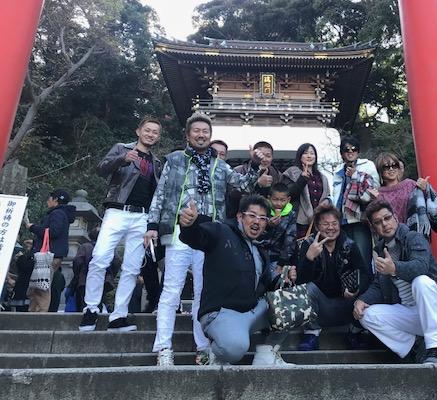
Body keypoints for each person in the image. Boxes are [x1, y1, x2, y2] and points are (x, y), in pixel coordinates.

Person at [145, 112, 265, 366]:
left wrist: (254, 164)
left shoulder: (219, 165)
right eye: (197, 131)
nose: (201, 135)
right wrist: (153, 225)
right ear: (188, 135)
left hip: (210, 235)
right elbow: (161, 192)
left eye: (205, 132)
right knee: (172, 290)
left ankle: (202, 346)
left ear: (210, 136)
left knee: (203, 290)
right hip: (180, 229)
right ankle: (163, 347)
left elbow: (243, 185)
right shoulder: (175, 160)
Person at [179, 194, 297, 366]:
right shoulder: (221, 231)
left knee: (293, 303)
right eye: (252, 215)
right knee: (234, 349)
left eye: (262, 218)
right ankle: (214, 353)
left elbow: (264, 288)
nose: (257, 221)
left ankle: (266, 353)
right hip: (221, 313)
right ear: (240, 216)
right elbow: (197, 237)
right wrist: (189, 226)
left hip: (250, 311)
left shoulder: (260, 249)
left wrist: (283, 279)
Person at [79, 117, 162, 331]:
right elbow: (101, 169)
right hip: (117, 211)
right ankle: (91, 309)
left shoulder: (156, 162)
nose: (151, 134)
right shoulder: (122, 148)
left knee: (132, 267)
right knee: (100, 258)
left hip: (142, 216)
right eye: (147, 130)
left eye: (155, 132)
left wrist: (153, 222)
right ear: (138, 131)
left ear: (158, 137)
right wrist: (122, 159)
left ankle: (119, 316)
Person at [354, 201, 437, 364]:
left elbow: (421, 266)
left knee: (421, 282)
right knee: (367, 315)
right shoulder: (381, 250)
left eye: (387, 218)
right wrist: (362, 300)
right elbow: (379, 285)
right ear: (374, 228)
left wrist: (394, 268)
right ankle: (415, 348)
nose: (385, 224)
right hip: (411, 313)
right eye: (378, 222)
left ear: (395, 218)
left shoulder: (414, 237)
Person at [297, 204, 371, 351]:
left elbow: (364, 274)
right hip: (319, 308)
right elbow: (300, 282)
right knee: (307, 289)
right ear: (317, 226)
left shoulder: (350, 245)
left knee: (367, 292)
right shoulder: (308, 244)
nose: (330, 228)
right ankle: (311, 333)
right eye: (325, 224)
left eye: (334, 223)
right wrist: (309, 258)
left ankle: (354, 332)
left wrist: (355, 289)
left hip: (346, 305)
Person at [368, 152, 437, 238]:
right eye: (386, 167)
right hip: (393, 237)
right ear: (380, 171)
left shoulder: (410, 184)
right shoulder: (378, 193)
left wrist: (424, 189)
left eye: (394, 165)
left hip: (416, 233)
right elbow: (376, 220)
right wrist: (374, 200)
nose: (391, 169)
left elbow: (425, 205)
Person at [332, 136, 379, 266]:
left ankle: (366, 280)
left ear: (358, 152)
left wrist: (355, 175)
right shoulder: (338, 170)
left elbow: (375, 190)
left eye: (354, 149)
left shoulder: (367, 165)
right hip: (342, 221)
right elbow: (336, 195)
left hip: (360, 219)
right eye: (346, 149)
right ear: (342, 153)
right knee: (346, 260)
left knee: (363, 257)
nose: (350, 152)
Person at [26, 189, 76, 312]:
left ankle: (40, 314)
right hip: (53, 254)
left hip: (49, 255)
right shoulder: (62, 214)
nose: (48, 201)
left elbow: (53, 232)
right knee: (39, 284)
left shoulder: (57, 213)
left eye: (49, 198)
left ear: (56, 200)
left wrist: (33, 227)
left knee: (42, 285)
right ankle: (33, 312)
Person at [282, 143, 331, 239]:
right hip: (298, 220)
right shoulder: (292, 172)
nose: (309, 156)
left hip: (319, 220)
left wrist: (326, 202)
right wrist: (302, 179)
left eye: (312, 153)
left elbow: (327, 196)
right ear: (300, 156)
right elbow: (288, 195)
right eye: (305, 153)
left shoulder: (322, 177)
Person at [228, 141, 281, 218]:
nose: (264, 159)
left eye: (268, 156)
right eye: (261, 155)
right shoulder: (238, 171)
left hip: (265, 218)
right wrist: (257, 184)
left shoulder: (277, 174)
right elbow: (233, 196)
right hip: (240, 216)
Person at [257, 182, 297, 277]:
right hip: (259, 252)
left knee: (275, 278)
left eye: (282, 200)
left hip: (276, 256)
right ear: (269, 198)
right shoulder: (263, 211)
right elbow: (255, 235)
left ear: (288, 200)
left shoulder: (291, 215)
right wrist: (268, 226)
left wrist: (282, 262)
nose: (278, 203)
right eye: (275, 199)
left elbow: (290, 240)